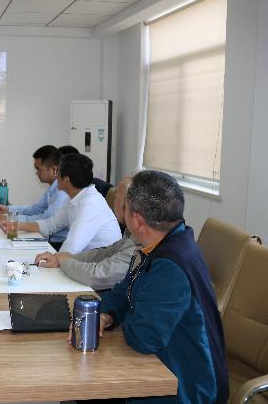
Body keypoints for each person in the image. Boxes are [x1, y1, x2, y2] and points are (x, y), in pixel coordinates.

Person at [94, 170, 228, 403]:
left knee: (94, 386)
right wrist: (108, 314)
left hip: (184, 387)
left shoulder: (171, 265)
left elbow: (144, 338)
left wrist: (129, 315)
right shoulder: (162, 243)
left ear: (137, 221)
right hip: (163, 364)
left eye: (125, 208)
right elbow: (125, 289)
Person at [1, 153, 121, 254]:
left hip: (100, 266)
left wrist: (52, 259)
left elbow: (72, 247)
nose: (55, 175)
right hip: (85, 259)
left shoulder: (90, 204)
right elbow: (49, 225)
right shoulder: (74, 197)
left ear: (67, 180)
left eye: (58, 172)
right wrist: (15, 226)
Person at [34, 177, 138, 291]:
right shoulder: (131, 232)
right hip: (97, 275)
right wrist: (67, 258)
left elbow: (96, 276)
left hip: (102, 285)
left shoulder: (140, 242)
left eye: (116, 196)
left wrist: (64, 261)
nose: (113, 202)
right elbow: (105, 253)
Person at [0, 145, 69, 244]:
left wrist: (11, 218)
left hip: (58, 244)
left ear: (54, 169)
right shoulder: (52, 187)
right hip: (49, 239)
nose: (37, 173)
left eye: (39, 169)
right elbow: (35, 209)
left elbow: (47, 219)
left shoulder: (62, 191)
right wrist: (8, 209)